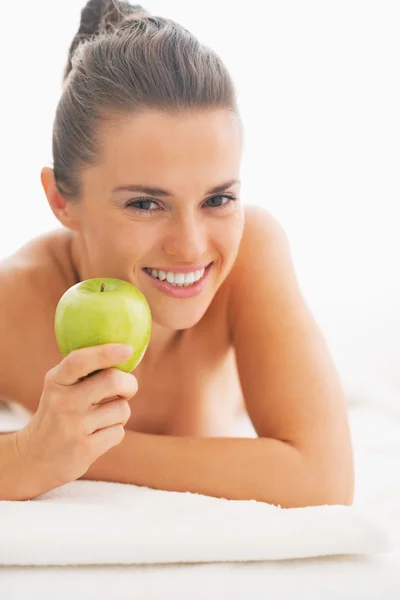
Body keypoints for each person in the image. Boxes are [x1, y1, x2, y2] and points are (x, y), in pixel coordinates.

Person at [0, 0, 354, 506]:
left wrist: (64, 452)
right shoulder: (11, 303)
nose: (190, 246)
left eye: (218, 199)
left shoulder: (251, 249)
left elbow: (322, 479)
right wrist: (31, 452)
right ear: (61, 199)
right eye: (145, 203)